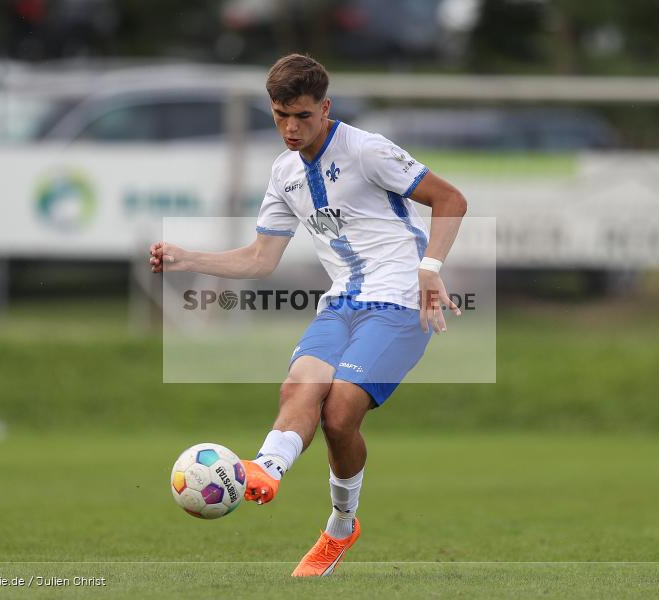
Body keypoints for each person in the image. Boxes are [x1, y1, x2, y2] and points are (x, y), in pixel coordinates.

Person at [150, 54, 466, 577]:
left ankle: (341, 526)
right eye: (279, 116)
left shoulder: (366, 150)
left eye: (302, 116)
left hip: (400, 301)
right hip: (341, 301)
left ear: (326, 108)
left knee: (340, 414)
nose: (290, 128)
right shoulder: (283, 173)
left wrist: (430, 267)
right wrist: (187, 258)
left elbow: (451, 198)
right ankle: (266, 469)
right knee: (300, 387)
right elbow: (260, 258)